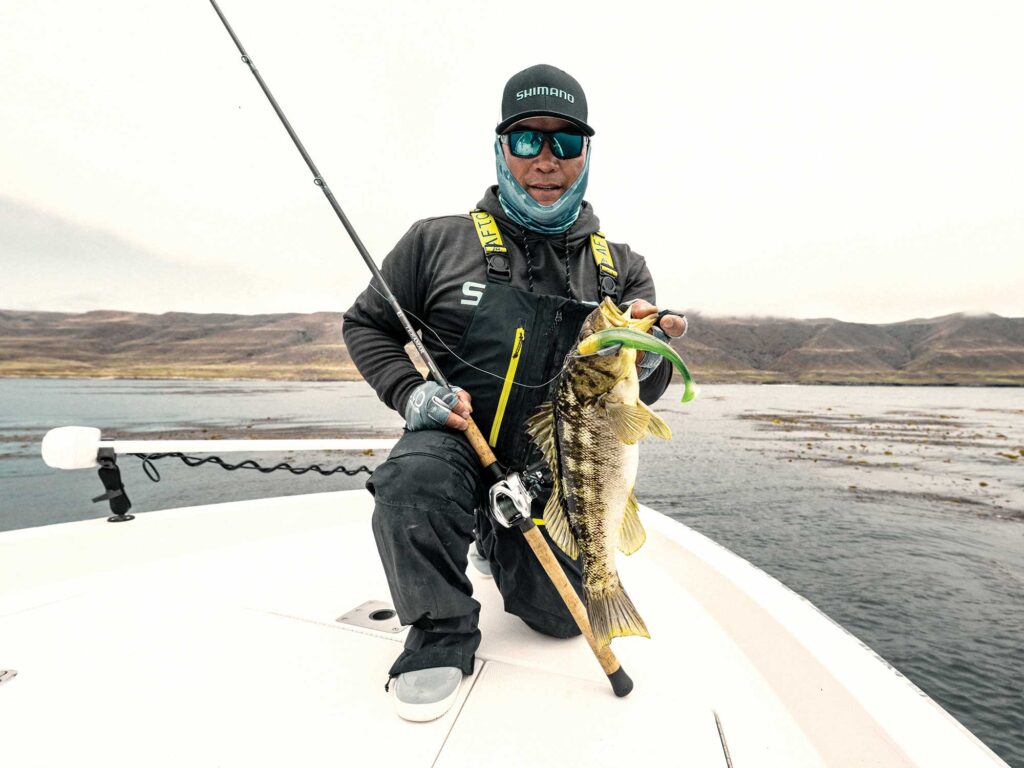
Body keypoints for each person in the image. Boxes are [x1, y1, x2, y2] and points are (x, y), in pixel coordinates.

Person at [342, 63, 686, 722]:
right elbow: (367, 325)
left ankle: (496, 543)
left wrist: (651, 357)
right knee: (410, 484)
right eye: (527, 140)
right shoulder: (433, 242)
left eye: (566, 141)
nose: (546, 159)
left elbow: (639, 402)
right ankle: (439, 635)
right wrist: (409, 393)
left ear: (587, 151)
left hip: (549, 468)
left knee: (560, 620)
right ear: (501, 147)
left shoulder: (622, 267)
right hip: (452, 442)